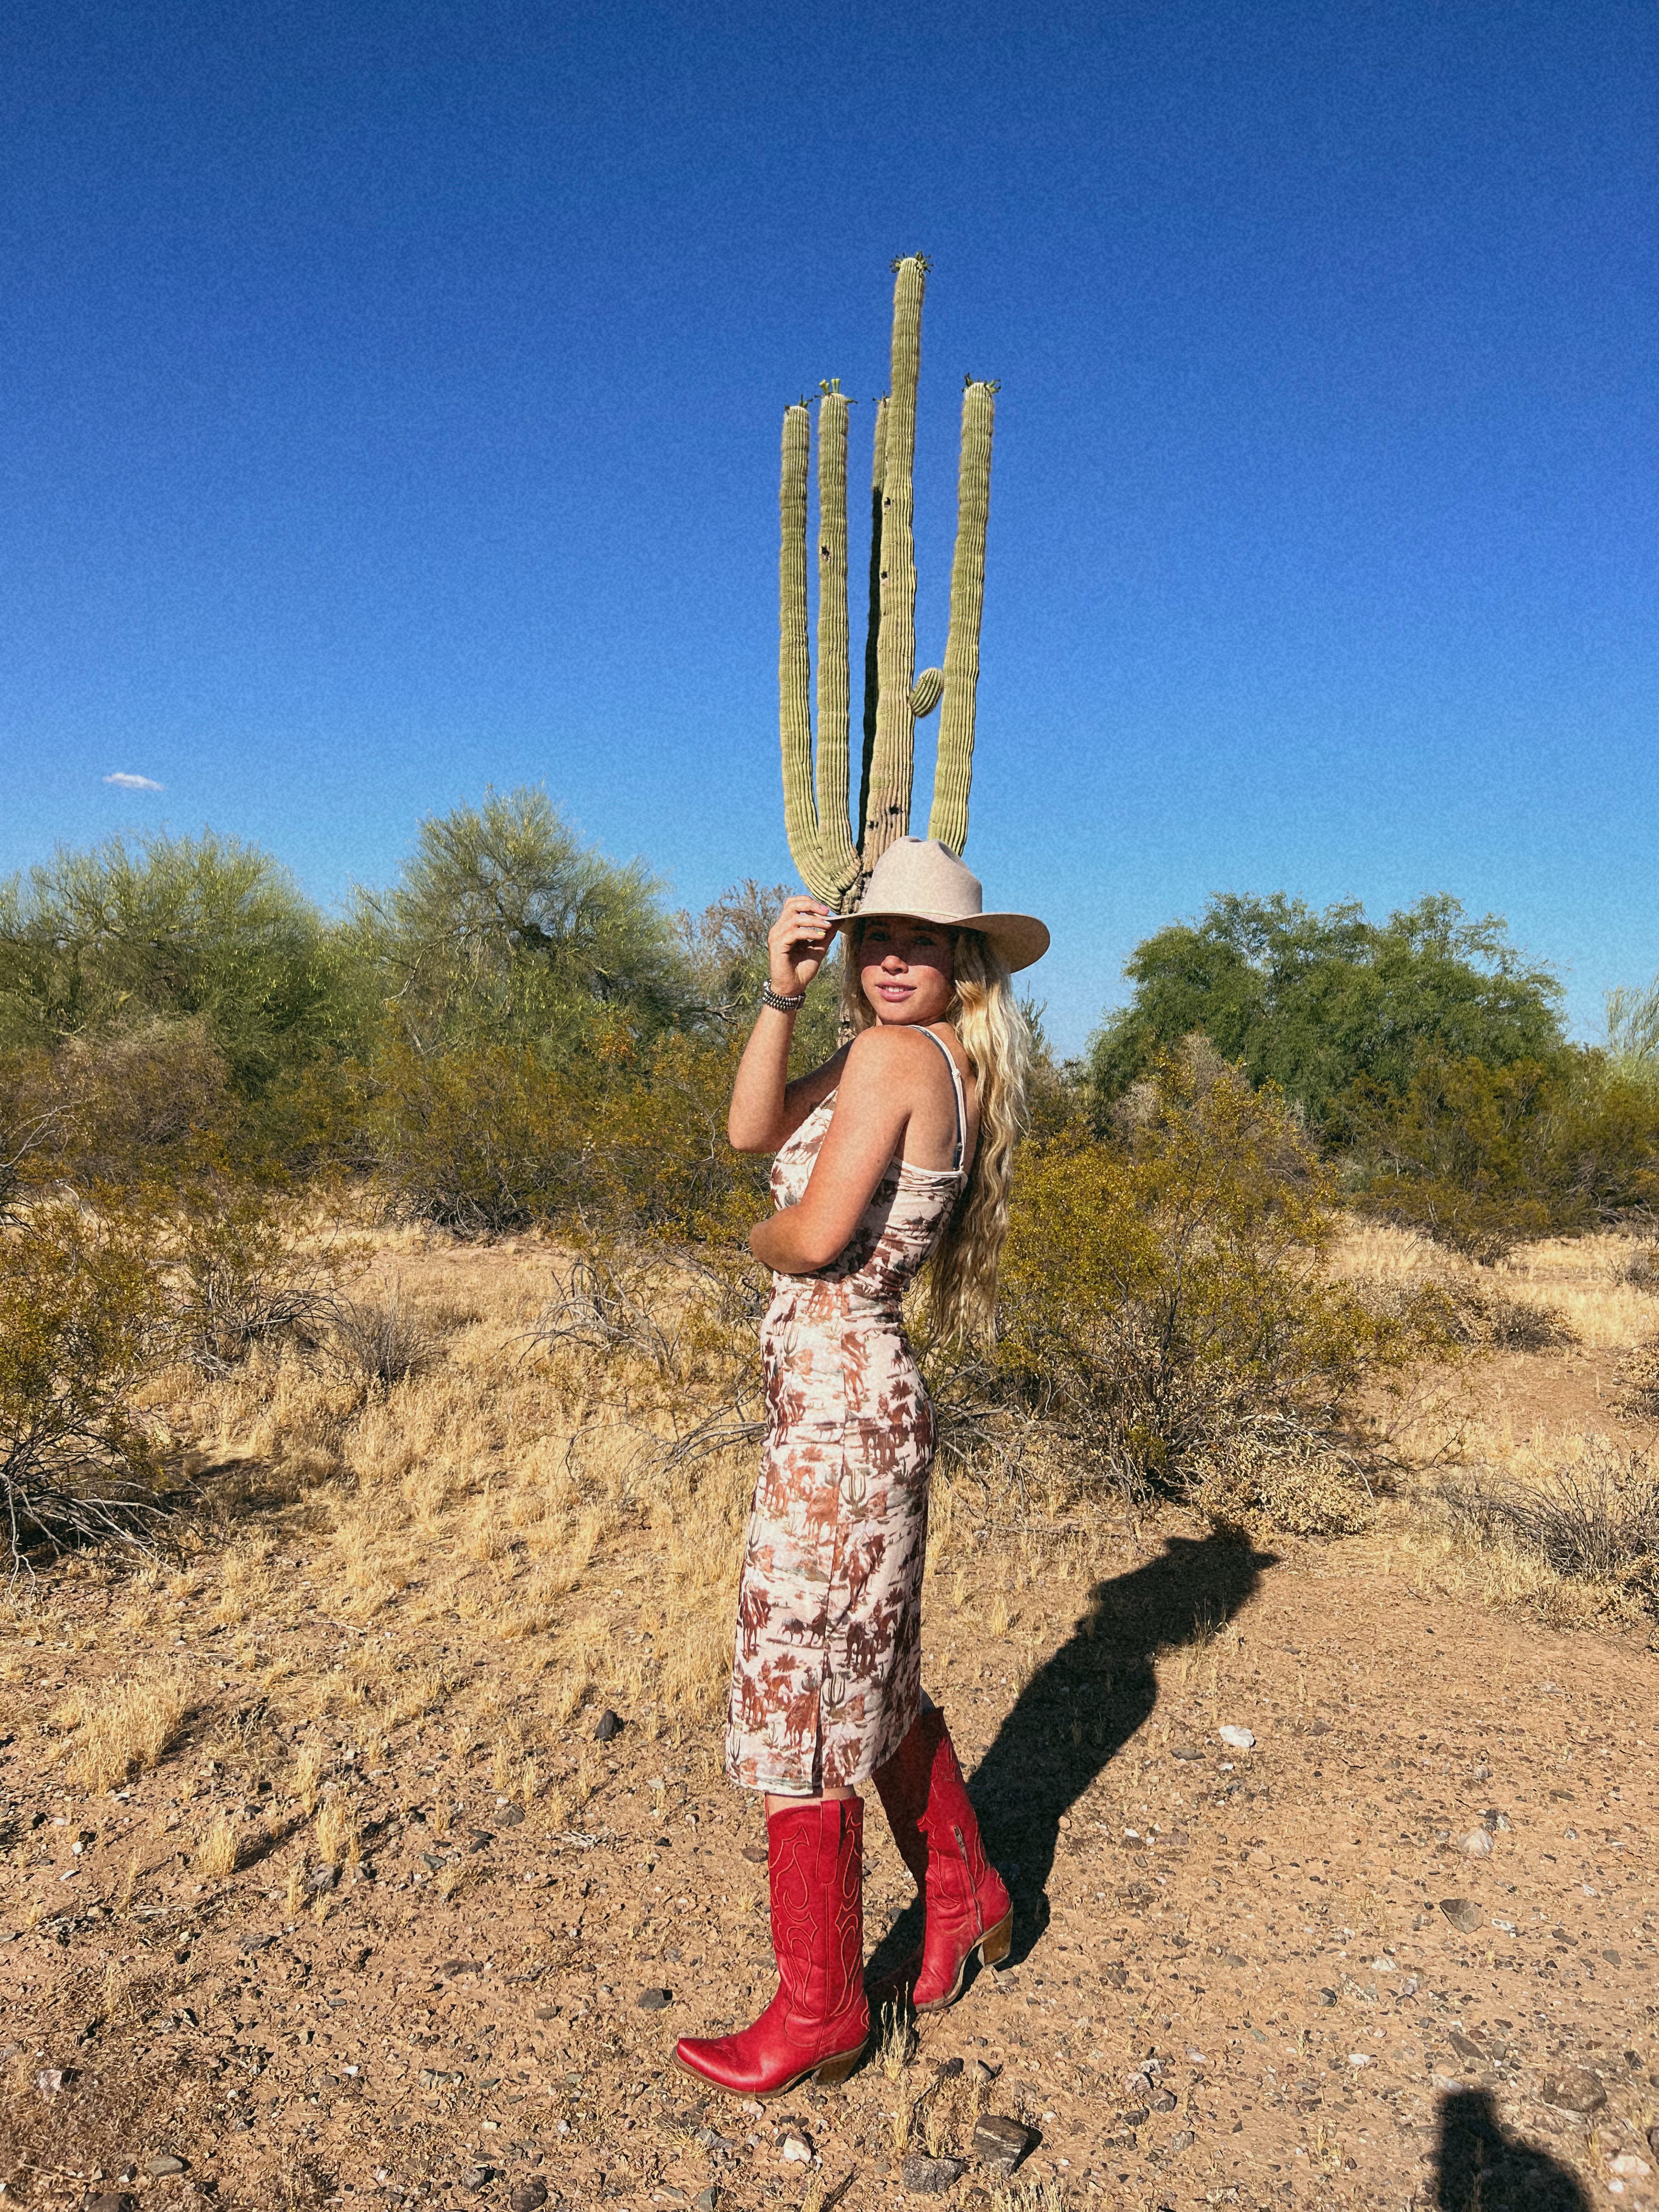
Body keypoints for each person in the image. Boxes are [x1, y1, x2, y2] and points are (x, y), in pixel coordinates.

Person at [674, 836, 1050, 2098]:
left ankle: (820, 2010)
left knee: (802, 1692)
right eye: (876, 937)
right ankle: (966, 1893)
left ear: (962, 962)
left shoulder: (898, 1056)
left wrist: (758, 1239)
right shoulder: (910, 1053)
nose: (893, 959)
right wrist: (779, 994)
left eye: (920, 942)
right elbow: (750, 1128)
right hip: (855, 1401)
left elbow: (813, 1231)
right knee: (864, 1675)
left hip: (841, 1409)